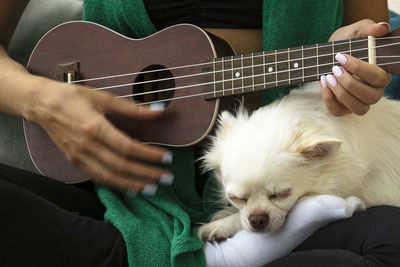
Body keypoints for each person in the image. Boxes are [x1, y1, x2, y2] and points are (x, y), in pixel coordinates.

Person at [0, 0, 399, 266]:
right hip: (124, 187)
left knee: (390, 243)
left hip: (296, 179)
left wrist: (348, 61)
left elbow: (367, 41)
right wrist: (41, 101)